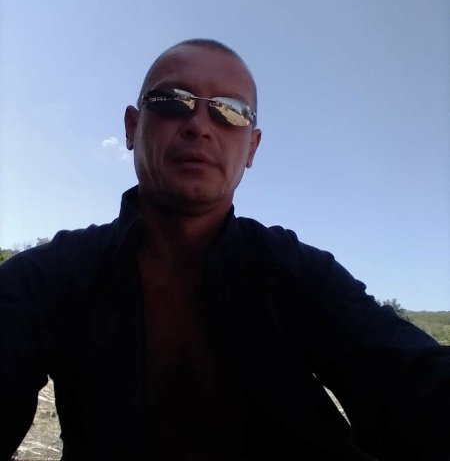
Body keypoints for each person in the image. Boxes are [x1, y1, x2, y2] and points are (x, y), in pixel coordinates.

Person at [1, 39, 449, 461]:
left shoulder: (294, 271)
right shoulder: (51, 278)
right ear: (132, 127)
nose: (199, 126)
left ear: (252, 147)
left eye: (230, 112)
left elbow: (410, 382)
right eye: (171, 100)